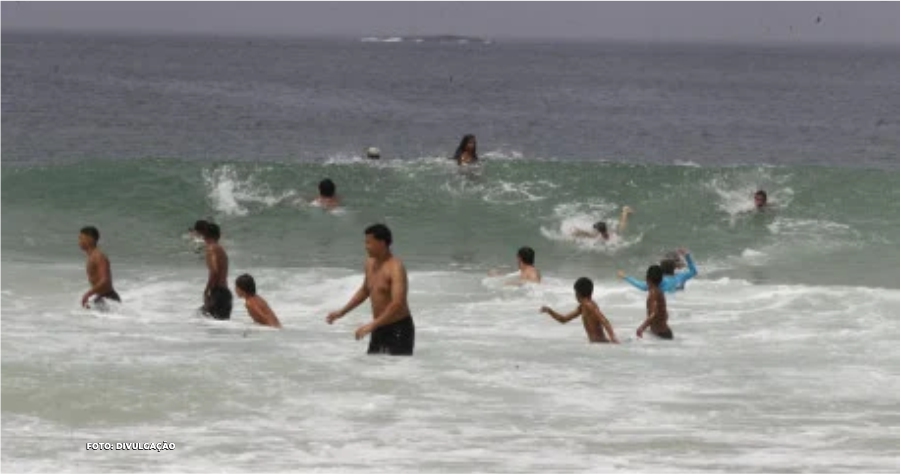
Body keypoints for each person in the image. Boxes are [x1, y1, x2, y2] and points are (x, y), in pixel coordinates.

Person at [325, 224, 415, 355]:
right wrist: (341, 312)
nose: (366, 246)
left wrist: (372, 325)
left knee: (396, 372)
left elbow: (398, 303)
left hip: (399, 329)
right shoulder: (370, 263)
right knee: (373, 369)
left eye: (369, 243)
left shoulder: (395, 268)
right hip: (379, 326)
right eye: (365, 242)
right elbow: (366, 290)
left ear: (382, 243)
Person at [540, 277, 619, 343]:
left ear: (578, 293)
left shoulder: (589, 305)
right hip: (597, 344)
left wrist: (613, 338)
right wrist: (549, 311)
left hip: (601, 344)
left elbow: (604, 321)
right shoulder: (582, 307)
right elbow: (563, 319)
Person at [618, 248, 698, 293]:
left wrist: (626, 277)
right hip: (677, 304)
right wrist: (687, 256)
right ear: (674, 268)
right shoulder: (680, 277)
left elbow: (641, 286)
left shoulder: (660, 281)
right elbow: (693, 271)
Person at [78, 226, 120, 308]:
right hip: (101, 297)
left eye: (81, 238)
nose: (79, 242)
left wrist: (88, 294)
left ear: (90, 239)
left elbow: (105, 280)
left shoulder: (98, 256)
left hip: (108, 298)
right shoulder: (92, 256)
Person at [201, 223, 232, 320]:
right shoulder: (220, 249)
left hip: (218, 293)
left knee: (205, 321)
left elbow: (214, 271)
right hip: (225, 293)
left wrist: (207, 291)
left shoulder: (211, 249)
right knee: (221, 330)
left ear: (204, 235)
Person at [636, 265, 673, 340]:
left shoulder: (653, 293)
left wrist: (641, 328)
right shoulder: (658, 292)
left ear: (647, 279)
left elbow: (653, 313)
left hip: (661, 334)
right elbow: (665, 314)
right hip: (662, 332)